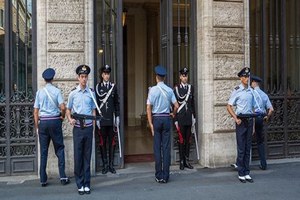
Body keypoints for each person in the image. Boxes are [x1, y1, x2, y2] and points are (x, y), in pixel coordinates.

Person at [33, 68, 70, 187]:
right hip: (55, 121)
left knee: (43, 151)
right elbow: (63, 107)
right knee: (59, 149)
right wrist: (62, 117)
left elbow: (35, 112)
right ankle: (63, 177)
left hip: (43, 123)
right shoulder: (56, 91)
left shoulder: (39, 92)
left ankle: (43, 179)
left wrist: (37, 126)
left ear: (44, 79)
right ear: (52, 78)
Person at [66, 65, 96, 195]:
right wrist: (70, 119)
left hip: (88, 128)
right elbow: (68, 109)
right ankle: (80, 183)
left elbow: (94, 110)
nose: (84, 79)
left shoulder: (91, 93)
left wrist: (94, 125)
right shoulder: (73, 93)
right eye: (82, 77)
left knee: (87, 156)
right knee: (78, 157)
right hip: (78, 129)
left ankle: (87, 183)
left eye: (86, 77)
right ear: (78, 78)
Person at [146, 65, 179, 183]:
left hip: (156, 118)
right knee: (166, 148)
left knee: (157, 148)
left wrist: (150, 124)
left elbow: (148, 108)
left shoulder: (152, 90)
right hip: (166, 118)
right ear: (164, 78)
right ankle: (166, 176)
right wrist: (173, 114)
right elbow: (176, 106)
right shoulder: (170, 90)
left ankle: (158, 175)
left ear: (156, 77)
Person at [227, 67, 255, 183]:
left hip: (249, 119)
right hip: (241, 120)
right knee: (241, 148)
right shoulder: (237, 90)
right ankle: (241, 172)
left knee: (248, 147)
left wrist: (253, 125)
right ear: (240, 78)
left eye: (248, 76)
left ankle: (247, 172)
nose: (247, 79)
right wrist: (235, 118)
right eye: (244, 77)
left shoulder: (251, 91)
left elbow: (253, 107)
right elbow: (229, 106)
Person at [95, 64, 120, 174]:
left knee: (112, 143)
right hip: (102, 119)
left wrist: (118, 116)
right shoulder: (98, 87)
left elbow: (116, 103)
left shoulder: (113, 87)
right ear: (102, 75)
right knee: (102, 142)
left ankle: (111, 165)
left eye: (108, 74)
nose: (107, 76)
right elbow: (96, 104)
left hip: (111, 119)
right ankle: (105, 164)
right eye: (105, 74)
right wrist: (96, 119)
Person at [173, 67, 196, 170]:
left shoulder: (191, 88)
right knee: (181, 140)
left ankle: (187, 160)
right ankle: (181, 161)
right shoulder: (177, 89)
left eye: (186, 76)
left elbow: (192, 103)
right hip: (181, 117)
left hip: (189, 118)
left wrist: (194, 116)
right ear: (180, 77)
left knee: (188, 140)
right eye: (183, 76)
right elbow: (174, 105)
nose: (185, 78)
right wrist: (176, 119)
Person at [251, 75, 274, 170]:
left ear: (253, 83)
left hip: (253, 118)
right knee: (260, 141)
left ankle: (241, 163)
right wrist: (267, 117)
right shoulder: (264, 94)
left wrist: (252, 126)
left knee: (247, 141)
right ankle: (263, 164)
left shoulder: (251, 93)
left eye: (251, 82)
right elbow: (271, 109)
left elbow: (251, 109)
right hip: (261, 118)